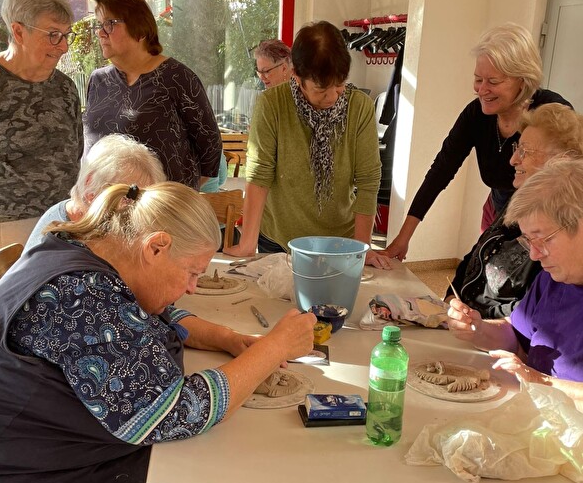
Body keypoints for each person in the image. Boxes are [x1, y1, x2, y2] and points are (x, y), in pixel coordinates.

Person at [0, 180, 316, 483]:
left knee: (202, 465)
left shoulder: (93, 258)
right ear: (156, 247)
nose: (194, 287)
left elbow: (146, 313)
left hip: (58, 465)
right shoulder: (78, 296)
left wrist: (228, 338)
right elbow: (176, 411)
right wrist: (275, 347)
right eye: (192, 271)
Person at [445, 158, 583, 483]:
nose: (534, 252)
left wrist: (537, 380)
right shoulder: (552, 277)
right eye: (530, 239)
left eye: (543, 238)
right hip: (542, 424)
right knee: (479, 474)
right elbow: (518, 335)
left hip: (575, 450)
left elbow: (543, 376)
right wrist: (477, 329)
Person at [384, 23, 571, 261]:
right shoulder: (476, 115)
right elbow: (440, 171)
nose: (482, 90)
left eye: (493, 81)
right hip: (496, 208)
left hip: (543, 219)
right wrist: (403, 239)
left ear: (522, 81)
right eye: (477, 79)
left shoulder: (551, 113)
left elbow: (570, 181)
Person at [225, 20, 390, 269]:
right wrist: (247, 242)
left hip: (340, 242)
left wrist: (362, 247)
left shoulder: (359, 107)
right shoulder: (272, 105)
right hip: (279, 240)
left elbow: (368, 180)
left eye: (339, 85)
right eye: (321, 90)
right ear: (297, 76)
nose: (333, 97)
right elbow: (259, 175)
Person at [446, 103, 583, 318]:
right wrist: (451, 298)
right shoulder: (517, 201)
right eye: (516, 148)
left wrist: (478, 322)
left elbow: (531, 310)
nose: (513, 159)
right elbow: (477, 253)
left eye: (524, 151)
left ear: (561, 162)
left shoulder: (562, 233)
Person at [0, 0, 83, 256]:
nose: (63, 46)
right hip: (2, 229)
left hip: (62, 222)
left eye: (66, 34)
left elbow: (76, 152)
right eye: (53, 34)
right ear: (18, 31)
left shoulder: (65, 86)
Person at [83, 0, 222, 190]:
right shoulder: (98, 80)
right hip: (104, 204)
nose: (100, 32)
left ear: (139, 29)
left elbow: (210, 146)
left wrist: (180, 194)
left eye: (109, 24)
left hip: (158, 210)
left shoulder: (176, 77)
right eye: (99, 25)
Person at [24, 133, 167, 252]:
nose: (137, 214)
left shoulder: (79, 216)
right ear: (90, 186)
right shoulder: (67, 244)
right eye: (129, 198)